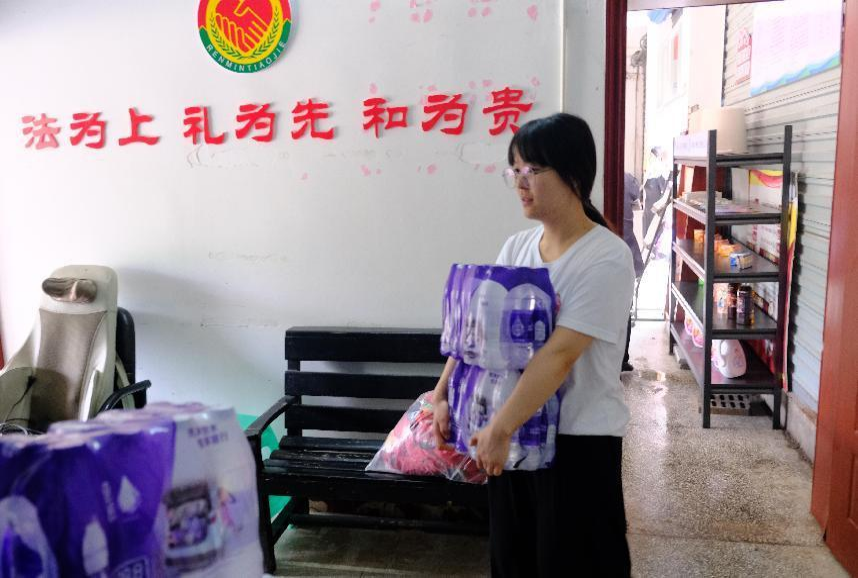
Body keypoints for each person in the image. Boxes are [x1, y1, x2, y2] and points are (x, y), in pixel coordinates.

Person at [433, 113, 634, 577]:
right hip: (514, 440)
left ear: (574, 175)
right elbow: (476, 336)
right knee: (514, 563)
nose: (520, 183)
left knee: (575, 566)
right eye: (515, 171)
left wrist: (500, 428)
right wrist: (441, 394)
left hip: (577, 445)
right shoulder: (517, 248)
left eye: (533, 170)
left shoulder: (606, 257)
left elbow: (560, 355)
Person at [622, 172, 644, 372]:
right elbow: (636, 198)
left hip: (623, 253)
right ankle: (623, 359)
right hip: (627, 253)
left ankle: (619, 360)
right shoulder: (628, 179)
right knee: (624, 309)